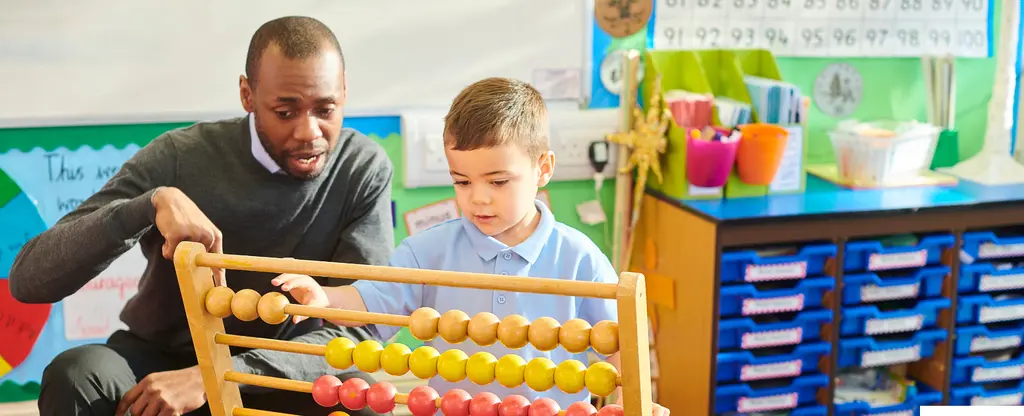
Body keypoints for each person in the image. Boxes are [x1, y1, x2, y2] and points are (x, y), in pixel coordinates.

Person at [8, 16, 393, 416]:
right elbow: (28, 280)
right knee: (77, 375)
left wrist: (214, 376)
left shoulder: (361, 169)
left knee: (357, 398)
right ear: (247, 94)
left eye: (326, 109)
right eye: (284, 112)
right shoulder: (179, 156)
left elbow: (357, 331)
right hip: (161, 360)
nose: (308, 132)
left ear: (345, 90)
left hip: (278, 369)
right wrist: (147, 206)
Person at [272, 77, 669, 415]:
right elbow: (373, 299)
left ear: (543, 169)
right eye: (462, 181)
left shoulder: (579, 259)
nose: (478, 198)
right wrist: (325, 297)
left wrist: (631, 400)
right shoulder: (427, 252)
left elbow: (620, 348)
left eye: (497, 182)